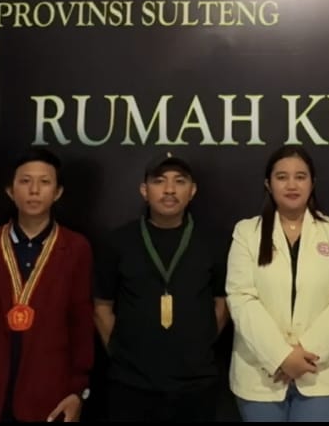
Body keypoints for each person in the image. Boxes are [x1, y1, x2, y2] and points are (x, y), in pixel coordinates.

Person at [0, 147, 94, 422]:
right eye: (25, 181)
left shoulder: (76, 248)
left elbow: (80, 324)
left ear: (57, 192)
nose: (34, 190)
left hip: (49, 399)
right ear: (10, 191)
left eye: (44, 182)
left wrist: (76, 390)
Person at [226, 144, 329, 422]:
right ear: (268, 183)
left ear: (312, 183)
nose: (291, 185)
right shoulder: (246, 232)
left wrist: (302, 354)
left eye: (300, 176)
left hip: (320, 373)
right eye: (282, 177)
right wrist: (280, 356)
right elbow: (241, 299)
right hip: (260, 375)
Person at [93, 152, 230, 421]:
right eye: (159, 181)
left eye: (179, 181)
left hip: (196, 384)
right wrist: (122, 355)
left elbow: (222, 302)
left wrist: (198, 345)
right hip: (131, 385)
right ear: (144, 190)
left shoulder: (215, 241)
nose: (169, 189)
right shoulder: (118, 241)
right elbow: (101, 308)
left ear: (192, 191)